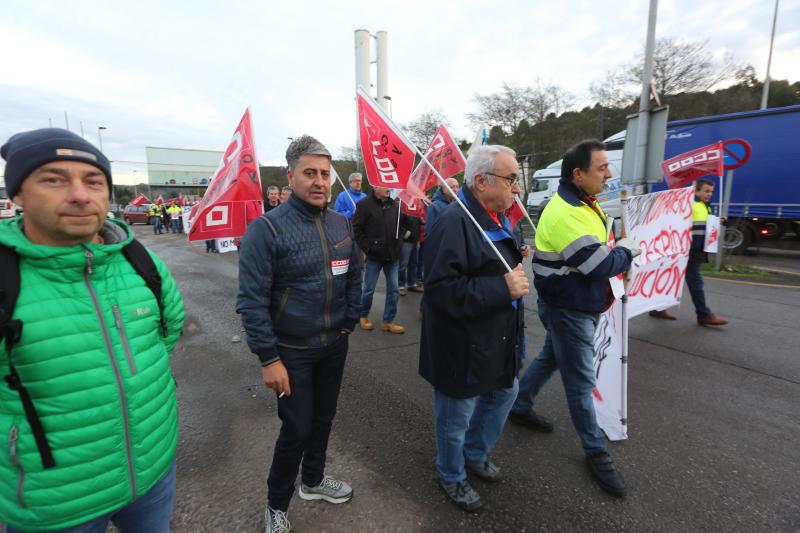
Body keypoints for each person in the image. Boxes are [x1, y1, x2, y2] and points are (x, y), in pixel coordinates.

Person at [0, 128, 185, 532]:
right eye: (53, 179)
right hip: (57, 501)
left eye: (93, 181)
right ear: (17, 195)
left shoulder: (141, 261)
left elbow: (168, 332)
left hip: (152, 471)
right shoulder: (5, 278)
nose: (80, 194)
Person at [237, 135, 361, 533]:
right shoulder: (267, 230)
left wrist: (349, 321)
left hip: (333, 345)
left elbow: (355, 276)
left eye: (325, 173)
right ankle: (276, 505)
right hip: (291, 352)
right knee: (296, 429)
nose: (320, 181)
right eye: (310, 173)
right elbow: (251, 301)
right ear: (290, 176)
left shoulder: (342, 223)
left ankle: (313, 481)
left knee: (324, 419)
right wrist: (268, 358)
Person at [508, 139, 639, 498]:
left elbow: (597, 251)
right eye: (602, 168)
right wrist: (626, 250)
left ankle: (519, 405)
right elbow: (598, 265)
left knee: (551, 357)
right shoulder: (568, 211)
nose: (609, 174)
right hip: (570, 309)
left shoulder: (581, 201)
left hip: (569, 304)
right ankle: (595, 452)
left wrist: (616, 248)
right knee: (581, 384)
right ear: (578, 174)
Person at [419, 145, 529, 512]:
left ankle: (475, 453)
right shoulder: (452, 222)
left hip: (498, 339)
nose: (517, 188)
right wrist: (503, 288)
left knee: (504, 394)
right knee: (455, 418)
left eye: (517, 179)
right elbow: (439, 293)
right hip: (462, 347)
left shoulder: (495, 217)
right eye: (511, 179)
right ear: (481, 181)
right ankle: (450, 475)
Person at [649, 178, 728, 326]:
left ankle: (658, 309)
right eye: (706, 191)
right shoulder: (690, 204)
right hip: (687, 251)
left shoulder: (705, 206)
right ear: (696, 191)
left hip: (694, 251)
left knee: (672, 279)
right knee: (694, 282)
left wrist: (717, 221)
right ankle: (703, 314)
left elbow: (702, 225)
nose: (709, 194)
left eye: (711, 191)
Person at [352, 186, 409, 334]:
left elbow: (401, 225)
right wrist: (369, 248)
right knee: (369, 289)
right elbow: (357, 229)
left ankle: (388, 321)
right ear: (375, 187)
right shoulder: (364, 204)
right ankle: (363, 315)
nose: (389, 189)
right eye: (385, 186)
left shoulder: (395, 205)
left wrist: (400, 240)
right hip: (374, 256)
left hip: (393, 255)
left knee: (394, 289)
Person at [398, 214, 422, 295]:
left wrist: (421, 221)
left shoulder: (418, 204)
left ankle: (411, 283)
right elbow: (397, 221)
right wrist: (405, 233)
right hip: (406, 241)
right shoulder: (401, 204)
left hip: (416, 239)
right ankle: (400, 285)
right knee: (403, 264)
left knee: (414, 263)